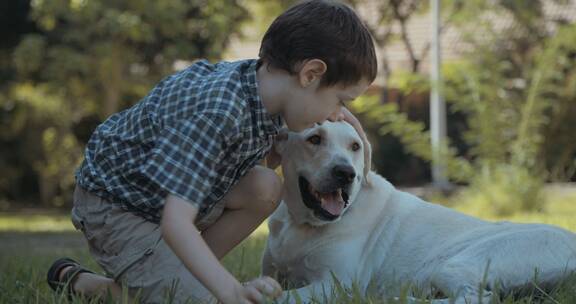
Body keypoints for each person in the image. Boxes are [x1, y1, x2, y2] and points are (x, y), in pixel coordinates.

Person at [46, 0, 377, 303]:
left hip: (161, 196)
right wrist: (230, 291)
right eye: (341, 101)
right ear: (311, 74)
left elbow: (257, 156)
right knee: (197, 299)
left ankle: (177, 277)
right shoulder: (218, 112)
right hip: (120, 207)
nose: (338, 115)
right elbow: (175, 222)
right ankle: (113, 285)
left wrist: (356, 134)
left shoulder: (267, 89)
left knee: (265, 187)